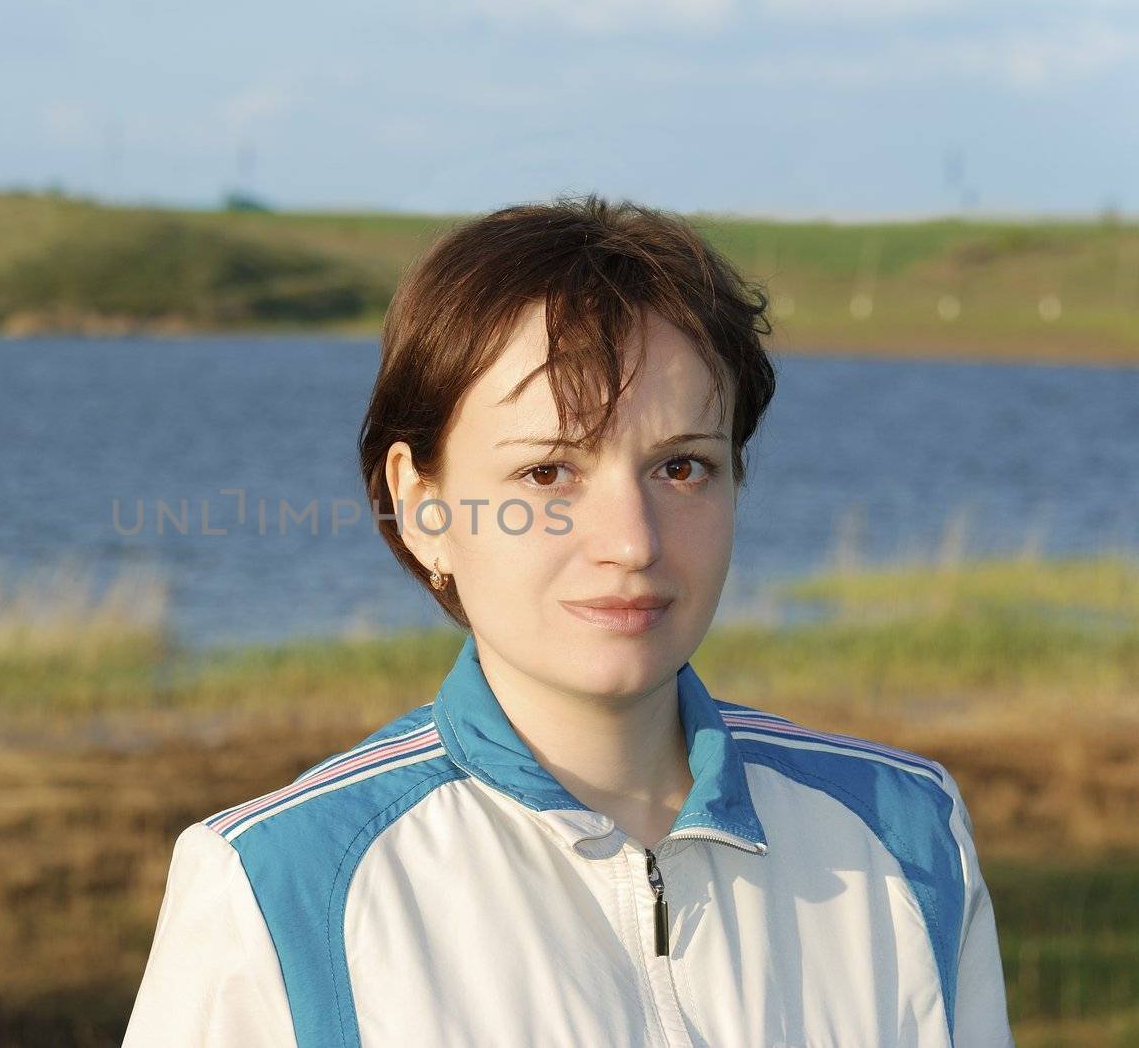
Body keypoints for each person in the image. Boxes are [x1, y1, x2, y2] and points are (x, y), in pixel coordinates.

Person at [122, 195, 1013, 1047]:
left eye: (682, 467)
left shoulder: (906, 832)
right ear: (421, 503)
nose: (630, 541)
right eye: (549, 472)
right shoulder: (278, 884)